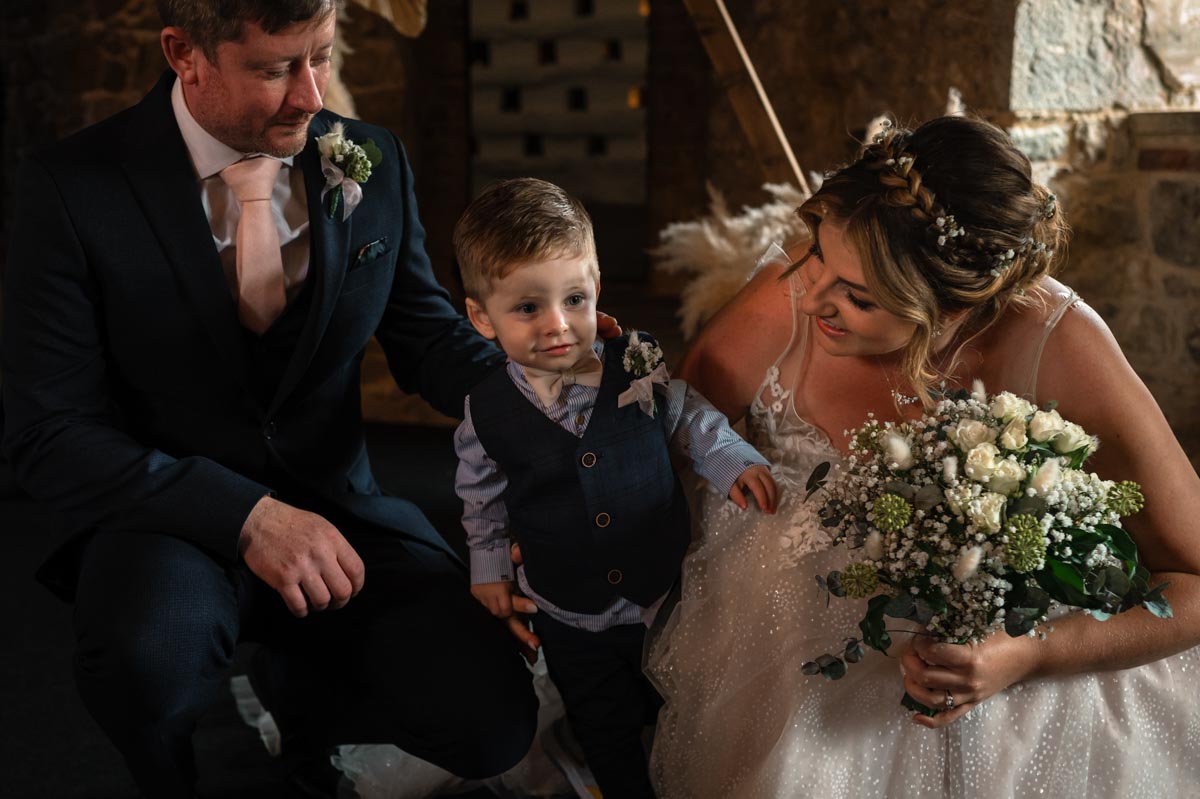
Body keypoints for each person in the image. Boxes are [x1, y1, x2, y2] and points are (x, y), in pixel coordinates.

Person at [0, 1, 595, 795]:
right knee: (146, 664)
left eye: (321, 55)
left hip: (340, 507)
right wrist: (248, 517)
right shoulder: (73, 186)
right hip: (169, 518)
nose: (312, 96)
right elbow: (49, 434)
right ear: (184, 54)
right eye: (277, 67)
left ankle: (302, 697)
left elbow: (426, 338)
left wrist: (544, 388)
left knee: (491, 722)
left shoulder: (371, 157)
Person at [645, 115, 1200, 798]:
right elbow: (656, 446)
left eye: (859, 296)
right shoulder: (791, 294)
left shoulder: (1060, 343)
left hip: (1010, 698)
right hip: (772, 653)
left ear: (953, 308)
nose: (811, 297)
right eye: (817, 254)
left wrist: (1030, 654)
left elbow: (1195, 582)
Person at [451, 177, 778, 798]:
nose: (558, 325)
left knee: (676, 698)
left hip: (660, 589)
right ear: (481, 317)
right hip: (567, 607)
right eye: (528, 308)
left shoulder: (636, 362)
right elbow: (480, 496)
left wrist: (731, 460)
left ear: (597, 286)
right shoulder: (486, 412)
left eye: (574, 298)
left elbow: (686, 416)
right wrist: (488, 566)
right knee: (603, 722)